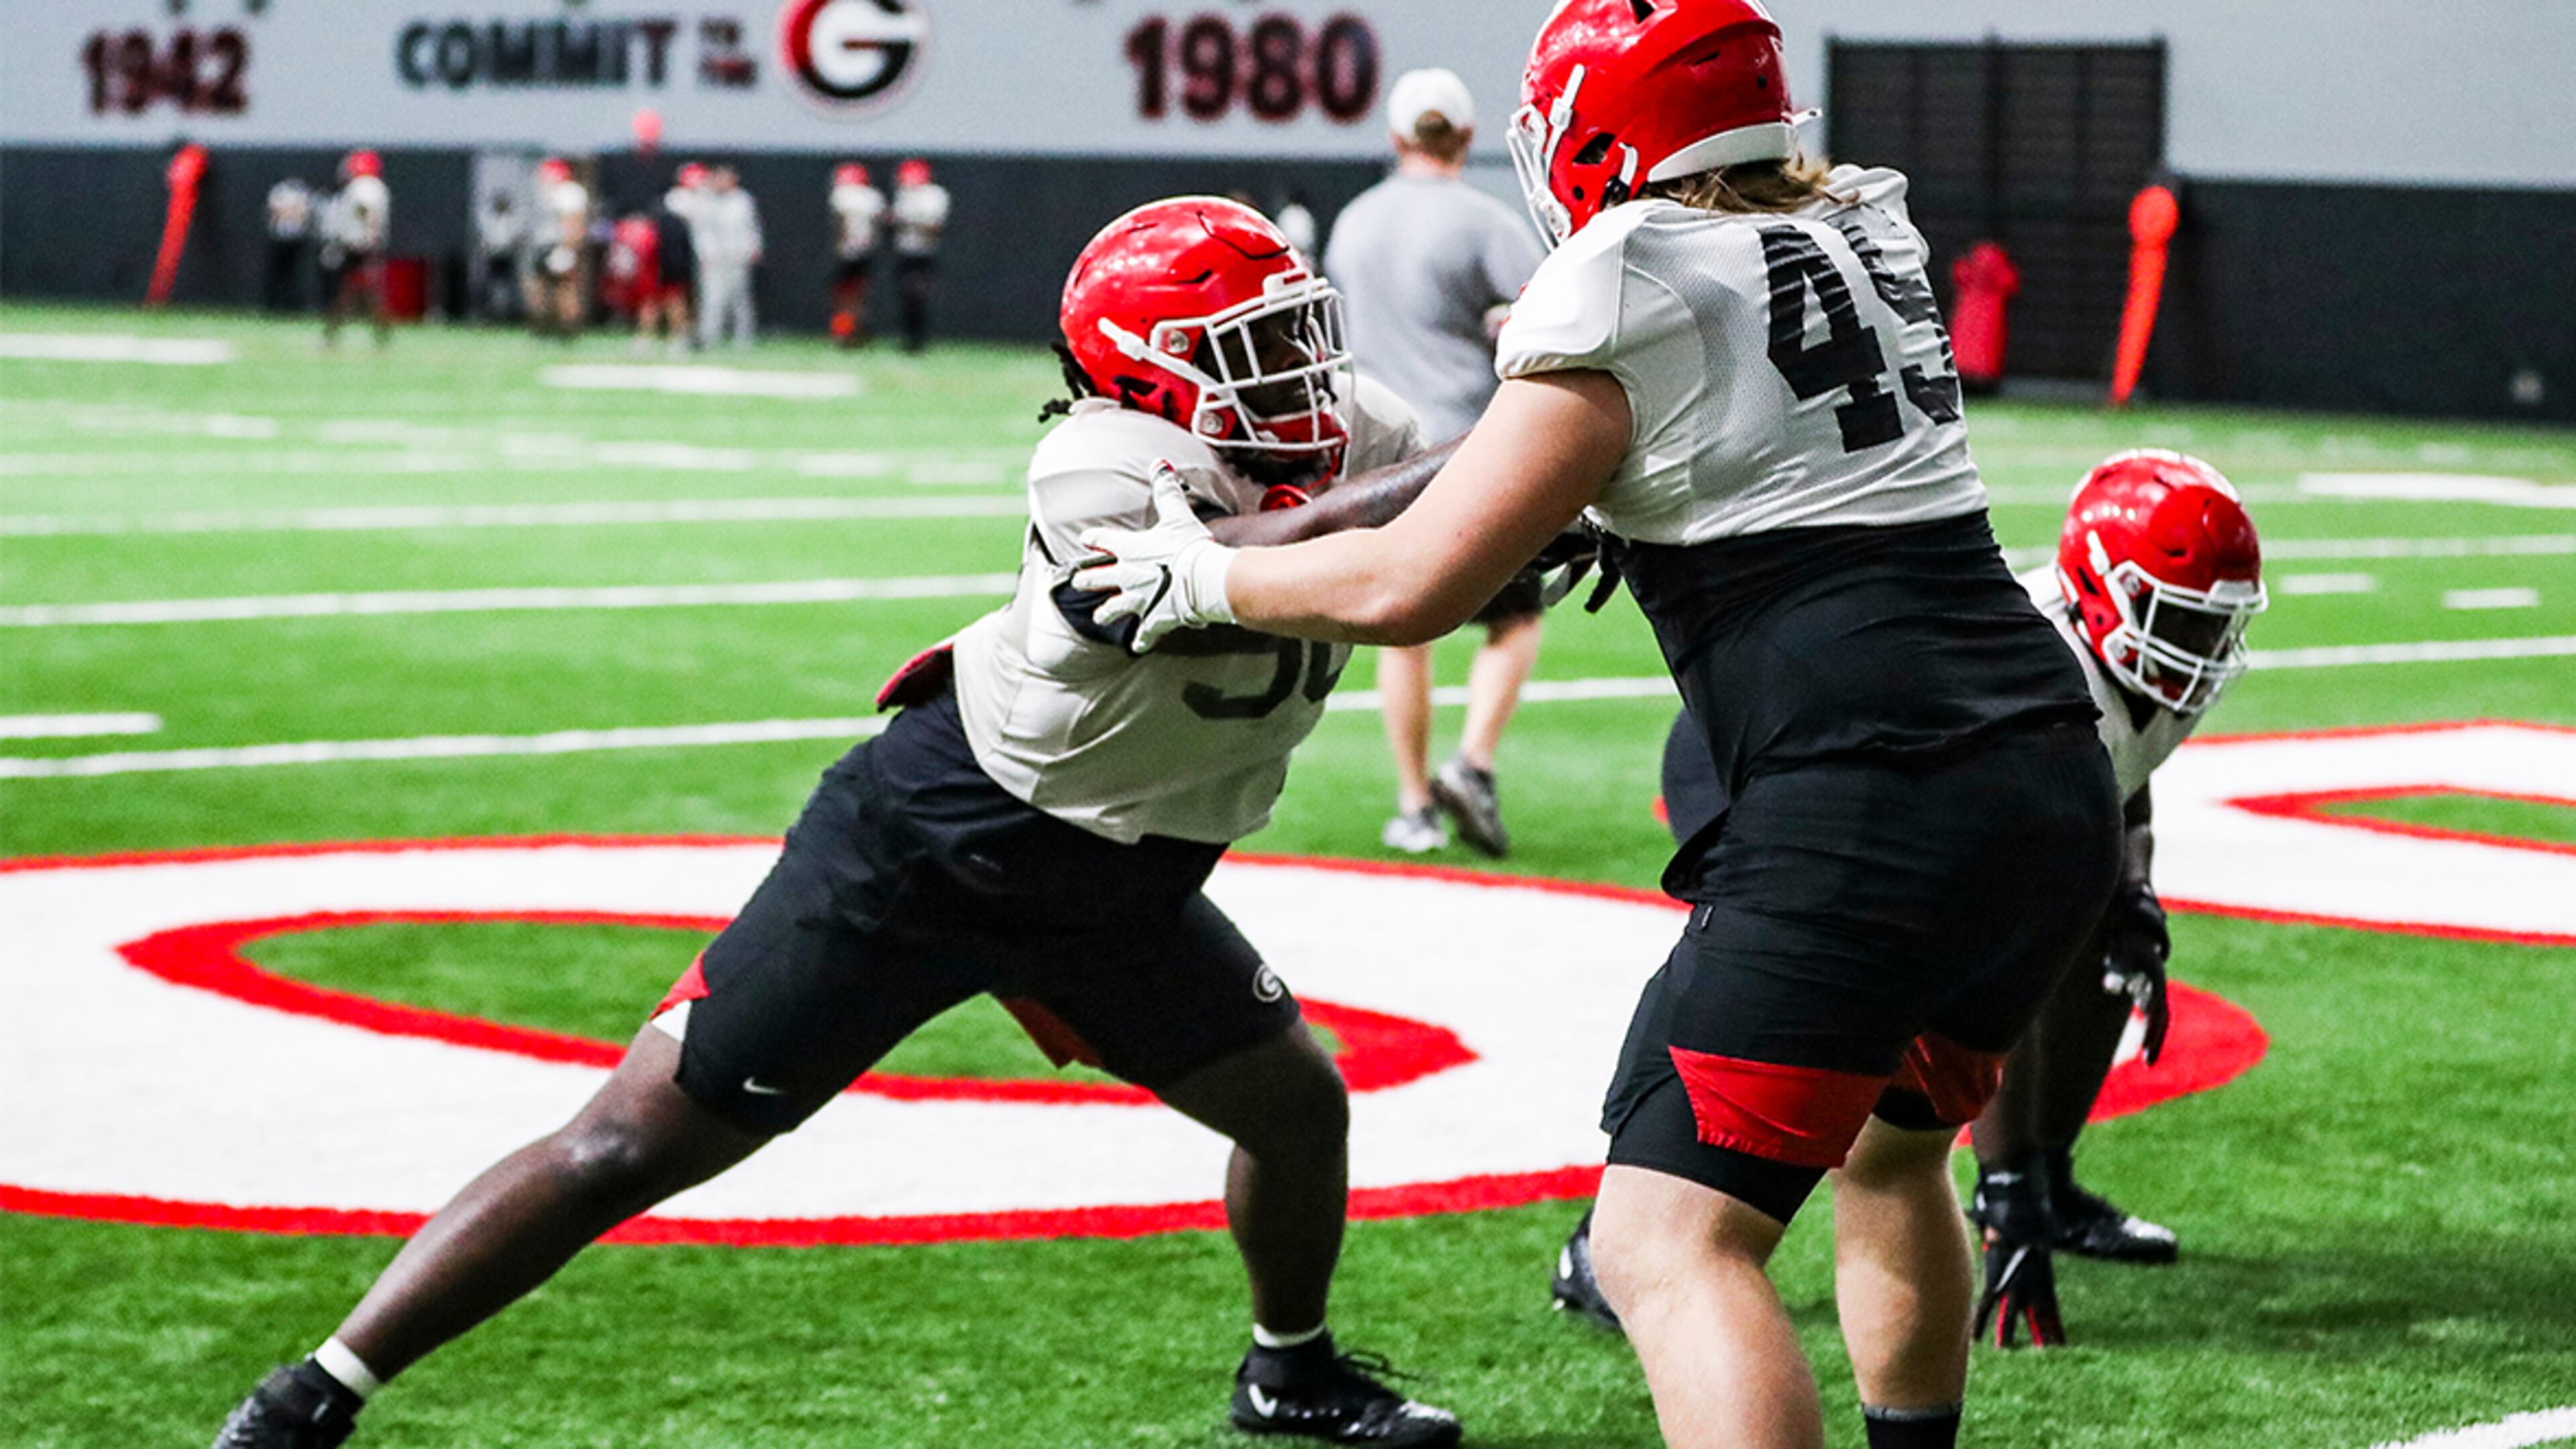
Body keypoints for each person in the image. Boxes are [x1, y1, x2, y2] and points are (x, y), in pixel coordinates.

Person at [209, 196, 1460, 1449]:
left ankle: (1287, 1374)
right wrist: (1492, 475)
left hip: (1122, 879)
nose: (1302, 372)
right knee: (625, 1147)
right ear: (1147, 368)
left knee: (1297, 1112)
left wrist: (1539, 515)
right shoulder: (1103, 462)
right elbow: (1290, 555)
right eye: (1251, 347)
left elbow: (1432, 546)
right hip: (934, 848)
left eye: (1299, 330)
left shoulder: (1358, 435)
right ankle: (308, 1397)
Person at [1069, 5, 2125, 1446]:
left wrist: (1207, 576)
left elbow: (1412, 581)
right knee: (1892, 1156)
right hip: (2042, 767)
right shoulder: (1867, 228)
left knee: (1664, 1245)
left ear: (1597, 131)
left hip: (1871, 792)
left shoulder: (1626, 268)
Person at [1551, 449, 2268, 1352]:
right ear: (2100, 589)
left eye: (2213, 627)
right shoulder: (2043, 662)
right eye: (2179, 620)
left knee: (2087, 945)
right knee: (1800, 1013)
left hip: (1897, 778)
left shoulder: (2128, 666)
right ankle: (1608, 1241)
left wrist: (2133, 895)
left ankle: (2044, 1181)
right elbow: (1995, 963)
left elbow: (2122, 773)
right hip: (1769, 763)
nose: (2199, 652)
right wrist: (1998, 1194)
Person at [1324, 67, 1549, 857]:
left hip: (1378, 453)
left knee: (1403, 634)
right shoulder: (1486, 220)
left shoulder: (1353, 221)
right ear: (1465, 136)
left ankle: (1414, 804)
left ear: (1394, 137)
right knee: (1518, 616)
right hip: (1469, 446)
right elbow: (1546, 322)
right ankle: (1474, 763)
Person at [321, 150, 391, 346]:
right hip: (363, 246)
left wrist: (370, 236)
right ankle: (335, 333)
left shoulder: (363, 186)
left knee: (358, 292)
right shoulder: (376, 186)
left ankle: (333, 334)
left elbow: (366, 209)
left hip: (359, 247)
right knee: (356, 292)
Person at [695, 164, 763, 349]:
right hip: (714, 259)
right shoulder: (706, 201)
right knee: (712, 298)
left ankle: (743, 338)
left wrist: (753, 248)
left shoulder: (742, 200)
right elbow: (701, 231)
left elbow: (751, 227)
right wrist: (705, 254)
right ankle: (709, 337)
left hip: (738, 256)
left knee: (740, 299)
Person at [640, 164, 703, 353]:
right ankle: (672, 337)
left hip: (687, 255)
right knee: (671, 297)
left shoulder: (700, 200)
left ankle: (679, 336)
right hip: (674, 255)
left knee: (677, 298)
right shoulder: (679, 199)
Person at [890, 158, 950, 352]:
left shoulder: (933, 196)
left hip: (923, 253)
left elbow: (934, 227)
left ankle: (918, 340)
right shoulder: (905, 195)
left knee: (917, 296)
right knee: (906, 298)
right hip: (905, 252)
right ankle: (909, 339)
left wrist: (909, 221)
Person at [527, 157, 590, 340]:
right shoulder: (547, 193)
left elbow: (574, 225)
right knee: (539, 289)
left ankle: (569, 332)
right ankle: (545, 328)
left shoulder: (569, 193)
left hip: (560, 245)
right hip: (544, 245)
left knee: (565, 289)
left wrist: (567, 250)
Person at [829, 161, 888, 347]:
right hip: (867, 251)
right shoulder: (872, 198)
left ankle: (846, 333)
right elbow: (883, 220)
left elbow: (841, 224)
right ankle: (857, 333)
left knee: (845, 297)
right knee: (858, 297)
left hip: (850, 252)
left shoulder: (843, 196)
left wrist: (843, 242)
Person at [263, 176, 315, 313]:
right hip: (281, 236)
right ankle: (274, 305)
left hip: (296, 237)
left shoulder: (300, 193)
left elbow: (303, 213)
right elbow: (276, 212)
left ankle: (293, 305)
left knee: (295, 273)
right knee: (278, 274)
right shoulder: (280, 191)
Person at [473, 189, 525, 321]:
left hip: (509, 255)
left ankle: (512, 313)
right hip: (492, 255)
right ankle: (489, 312)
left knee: (511, 286)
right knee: (489, 284)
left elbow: (518, 237)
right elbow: (483, 236)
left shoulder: (514, 219)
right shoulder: (487, 218)